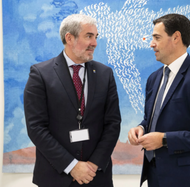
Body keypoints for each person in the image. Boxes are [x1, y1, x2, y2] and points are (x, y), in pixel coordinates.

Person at [24, 14, 121, 187]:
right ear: (69, 37)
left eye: (95, 37)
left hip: (96, 176)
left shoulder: (105, 74)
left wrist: (93, 165)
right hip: (55, 177)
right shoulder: (40, 74)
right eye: (88, 36)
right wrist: (72, 166)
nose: (95, 43)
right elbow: (36, 127)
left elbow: (113, 123)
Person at [128, 13, 190, 187]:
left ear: (176, 37)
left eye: (157, 37)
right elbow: (154, 118)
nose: (151, 44)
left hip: (187, 179)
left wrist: (164, 139)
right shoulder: (153, 78)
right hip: (154, 176)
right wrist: (141, 128)